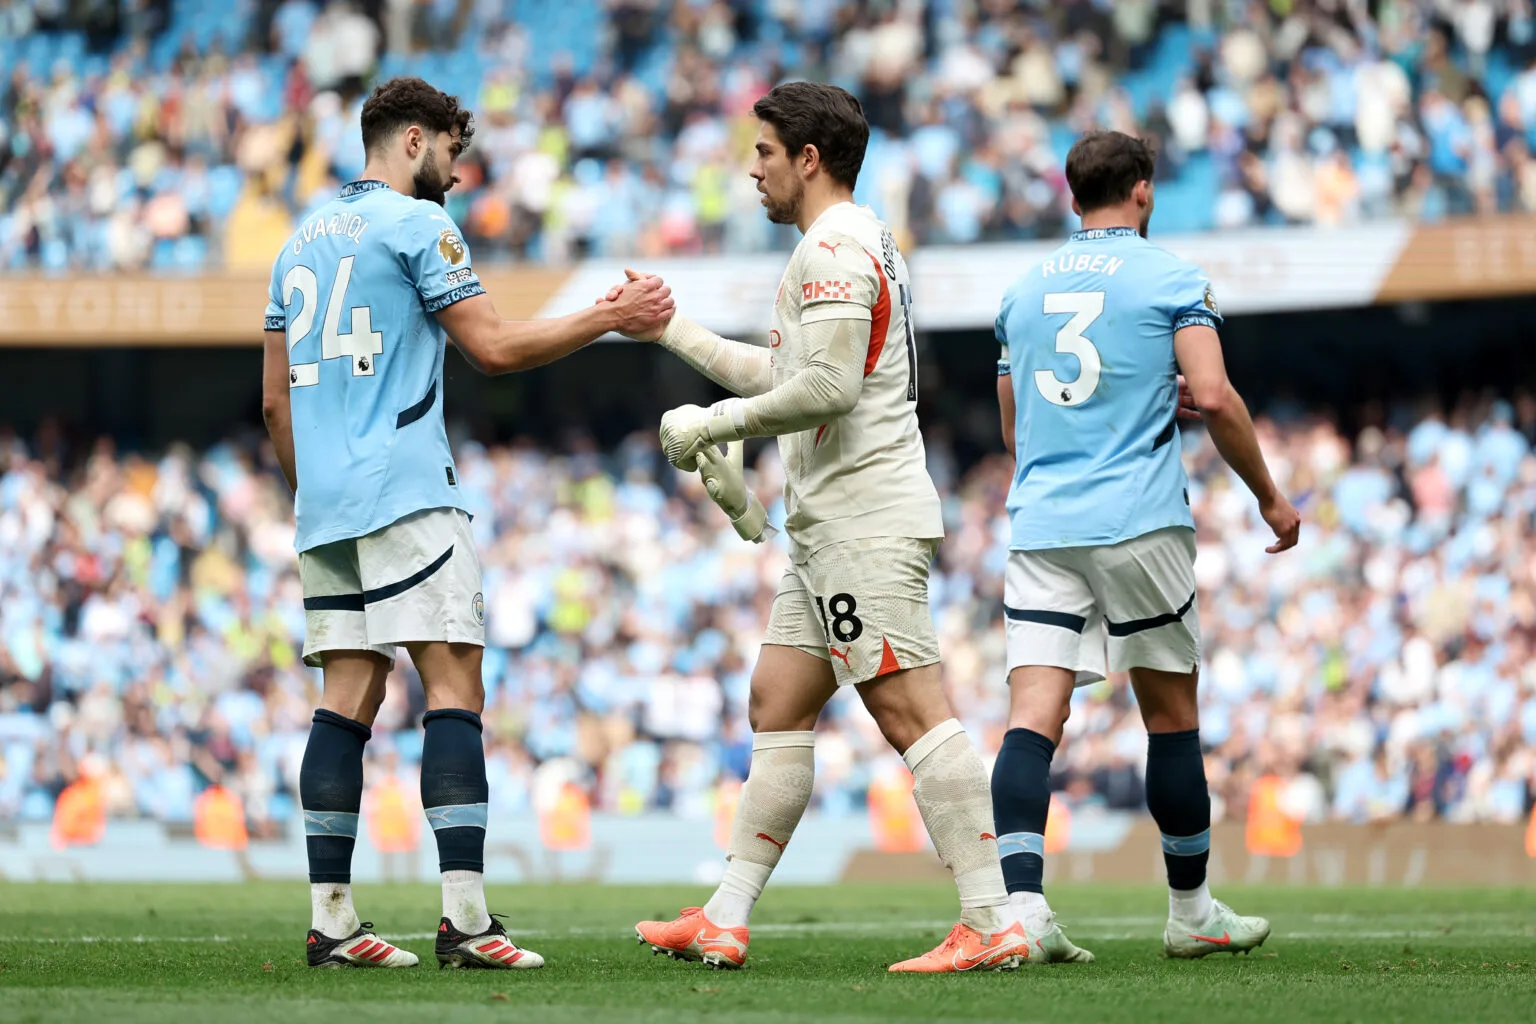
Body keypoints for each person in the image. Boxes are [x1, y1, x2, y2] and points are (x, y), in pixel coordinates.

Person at [609, 82, 1027, 973]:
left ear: (808, 158)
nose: (750, 168)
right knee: (779, 699)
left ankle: (992, 921)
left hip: (860, 523)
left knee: (910, 710)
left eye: (763, 152)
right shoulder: (855, 240)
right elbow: (788, 369)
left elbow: (829, 391)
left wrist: (713, 425)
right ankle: (726, 915)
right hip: (832, 525)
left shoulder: (832, 248)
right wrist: (675, 330)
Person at [260, 76, 672, 970]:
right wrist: (610, 315)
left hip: (324, 505)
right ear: (413, 139)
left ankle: (332, 923)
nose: (456, 170)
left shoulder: (295, 245)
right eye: (452, 149)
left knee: (344, 706)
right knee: (454, 693)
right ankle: (468, 923)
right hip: (407, 490)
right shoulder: (418, 225)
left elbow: (272, 406)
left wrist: (316, 494)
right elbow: (492, 348)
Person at [991, 129, 1300, 961]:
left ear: (1070, 194)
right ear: (1144, 191)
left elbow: (1015, 428)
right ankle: (1191, 913)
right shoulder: (1170, 276)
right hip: (1138, 519)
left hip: (1042, 521)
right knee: (1170, 717)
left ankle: (1021, 914)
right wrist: (1271, 498)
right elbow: (1216, 396)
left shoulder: (1021, 292)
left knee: (1031, 720)